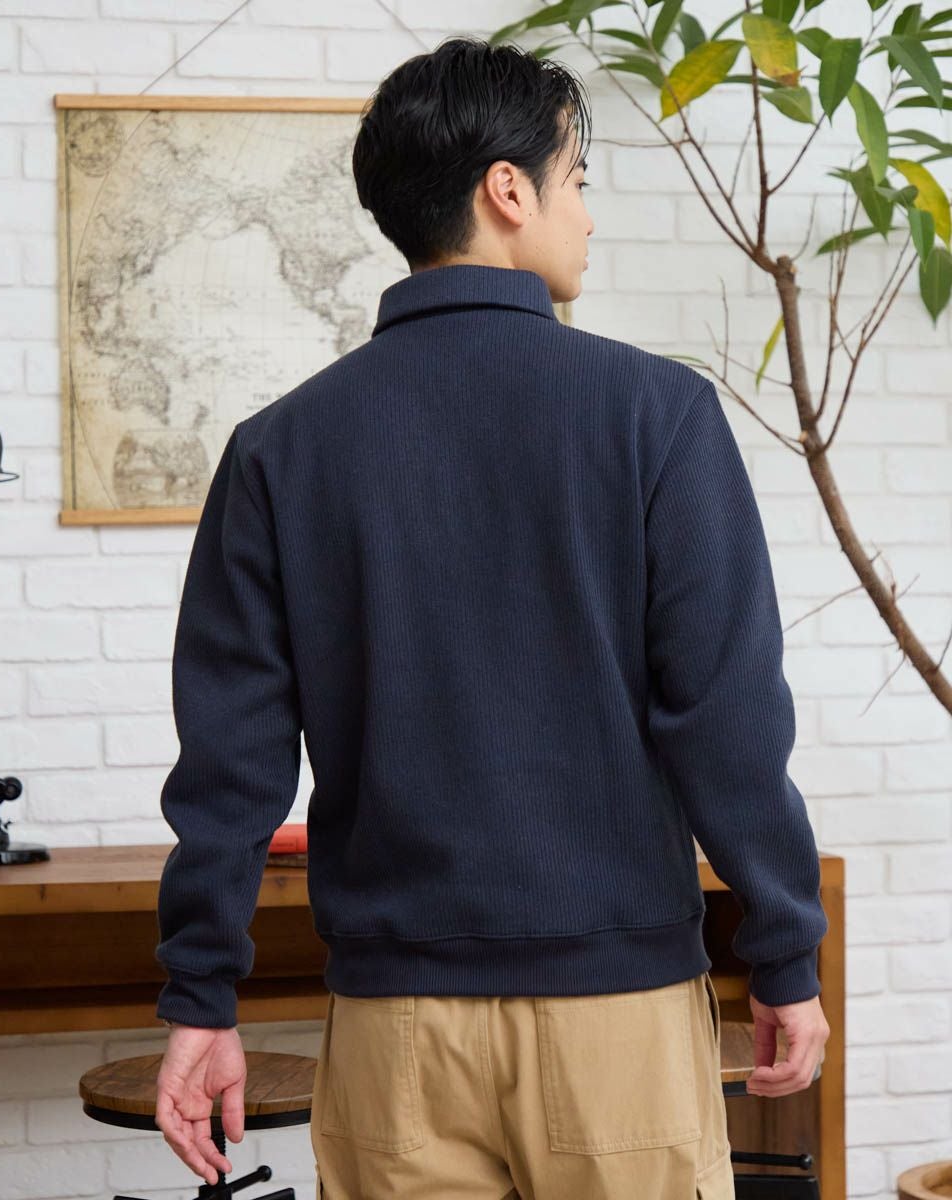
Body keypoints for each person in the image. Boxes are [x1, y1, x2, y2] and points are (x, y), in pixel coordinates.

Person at [153, 35, 831, 1200]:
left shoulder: (280, 448)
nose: (588, 217)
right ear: (507, 191)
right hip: (618, 1015)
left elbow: (230, 763)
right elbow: (726, 720)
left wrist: (201, 1000)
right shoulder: (658, 414)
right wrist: (784, 952)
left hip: (395, 1033)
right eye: (578, 181)